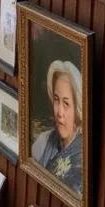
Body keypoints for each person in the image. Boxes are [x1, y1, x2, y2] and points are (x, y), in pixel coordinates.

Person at [30, 60, 84, 196]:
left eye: (66, 103)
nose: (59, 112)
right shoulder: (44, 140)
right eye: (56, 100)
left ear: (77, 109)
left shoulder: (82, 159)